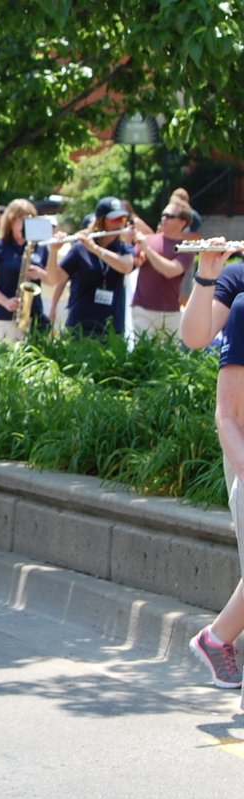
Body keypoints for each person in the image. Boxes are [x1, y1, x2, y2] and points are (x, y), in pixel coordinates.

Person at [180, 239, 244, 702]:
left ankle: (218, 637)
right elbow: (195, 337)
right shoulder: (239, 284)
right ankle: (218, 639)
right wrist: (206, 273)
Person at [44, 196, 136, 337]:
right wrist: (53, 252)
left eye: (122, 220)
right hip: (81, 327)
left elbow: (127, 266)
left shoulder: (124, 248)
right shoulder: (80, 248)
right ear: (101, 220)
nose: (119, 224)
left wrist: (95, 249)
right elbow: (54, 279)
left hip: (112, 328)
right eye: (114, 219)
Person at [0, 199, 48, 342]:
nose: (26, 224)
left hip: (34, 316)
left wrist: (40, 273)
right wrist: (5, 302)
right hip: (4, 316)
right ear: (11, 220)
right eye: (22, 219)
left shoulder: (40, 247)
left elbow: (53, 280)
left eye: (30, 219)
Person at [131, 200, 194, 339]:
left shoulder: (187, 248)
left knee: (170, 359)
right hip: (142, 310)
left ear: (183, 222)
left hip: (170, 313)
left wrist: (147, 249)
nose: (164, 218)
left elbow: (170, 271)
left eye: (170, 216)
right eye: (163, 214)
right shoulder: (148, 239)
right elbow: (131, 264)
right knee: (142, 356)